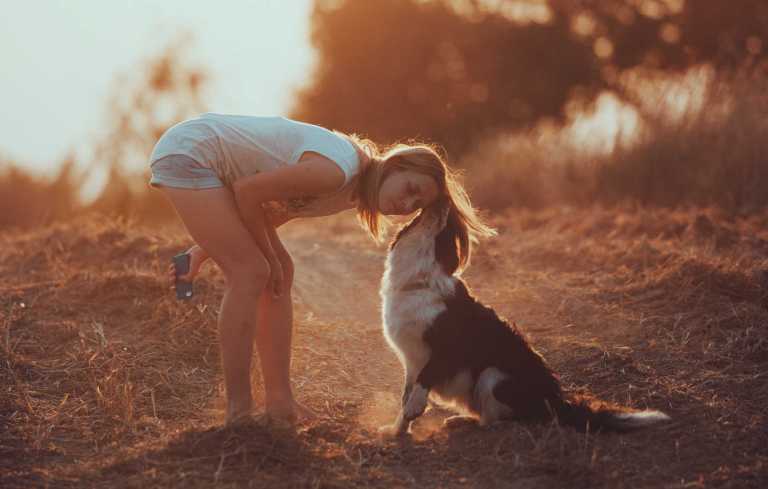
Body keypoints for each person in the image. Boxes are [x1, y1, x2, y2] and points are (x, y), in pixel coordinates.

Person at [147, 112, 494, 424]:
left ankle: (279, 402)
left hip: (205, 158)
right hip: (192, 152)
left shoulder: (349, 189)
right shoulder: (338, 171)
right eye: (410, 189)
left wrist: (201, 251)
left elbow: (269, 213)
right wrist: (268, 258)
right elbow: (247, 192)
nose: (406, 205)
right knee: (252, 272)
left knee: (279, 272)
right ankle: (239, 412)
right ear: (396, 164)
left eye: (416, 205)